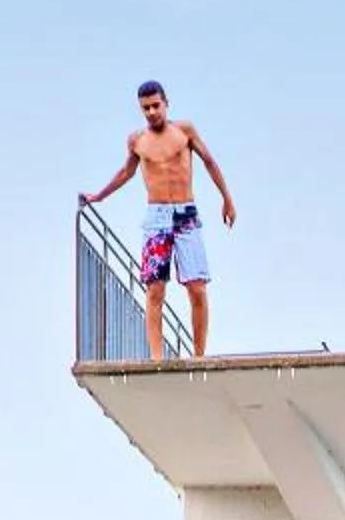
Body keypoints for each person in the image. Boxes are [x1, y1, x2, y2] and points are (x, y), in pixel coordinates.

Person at [80, 82, 237, 361]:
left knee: (197, 287)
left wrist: (227, 198)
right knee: (155, 289)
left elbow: (210, 161)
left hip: (186, 214)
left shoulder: (184, 131)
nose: (152, 112)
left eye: (156, 106)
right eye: (146, 108)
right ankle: (156, 358)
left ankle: (199, 357)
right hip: (157, 218)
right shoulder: (137, 141)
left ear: (166, 104)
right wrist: (100, 195)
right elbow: (125, 172)